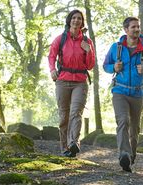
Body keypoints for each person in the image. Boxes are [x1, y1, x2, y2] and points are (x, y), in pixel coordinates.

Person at [103, 17, 143, 172]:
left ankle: (131, 157)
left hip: (137, 93)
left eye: (138, 27)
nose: (137, 29)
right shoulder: (116, 48)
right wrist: (113, 68)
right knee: (122, 121)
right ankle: (124, 154)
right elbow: (105, 65)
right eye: (133, 27)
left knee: (134, 128)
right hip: (119, 91)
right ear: (126, 30)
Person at [48, 9, 95, 157]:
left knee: (76, 113)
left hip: (80, 82)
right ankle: (64, 148)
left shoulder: (87, 42)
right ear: (69, 21)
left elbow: (90, 65)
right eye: (74, 18)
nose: (76, 21)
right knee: (64, 116)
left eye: (79, 19)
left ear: (82, 23)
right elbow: (51, 56)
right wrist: (52, 70)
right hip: (62, 80)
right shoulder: (60, 39)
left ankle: (74, 143)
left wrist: (89, 51)